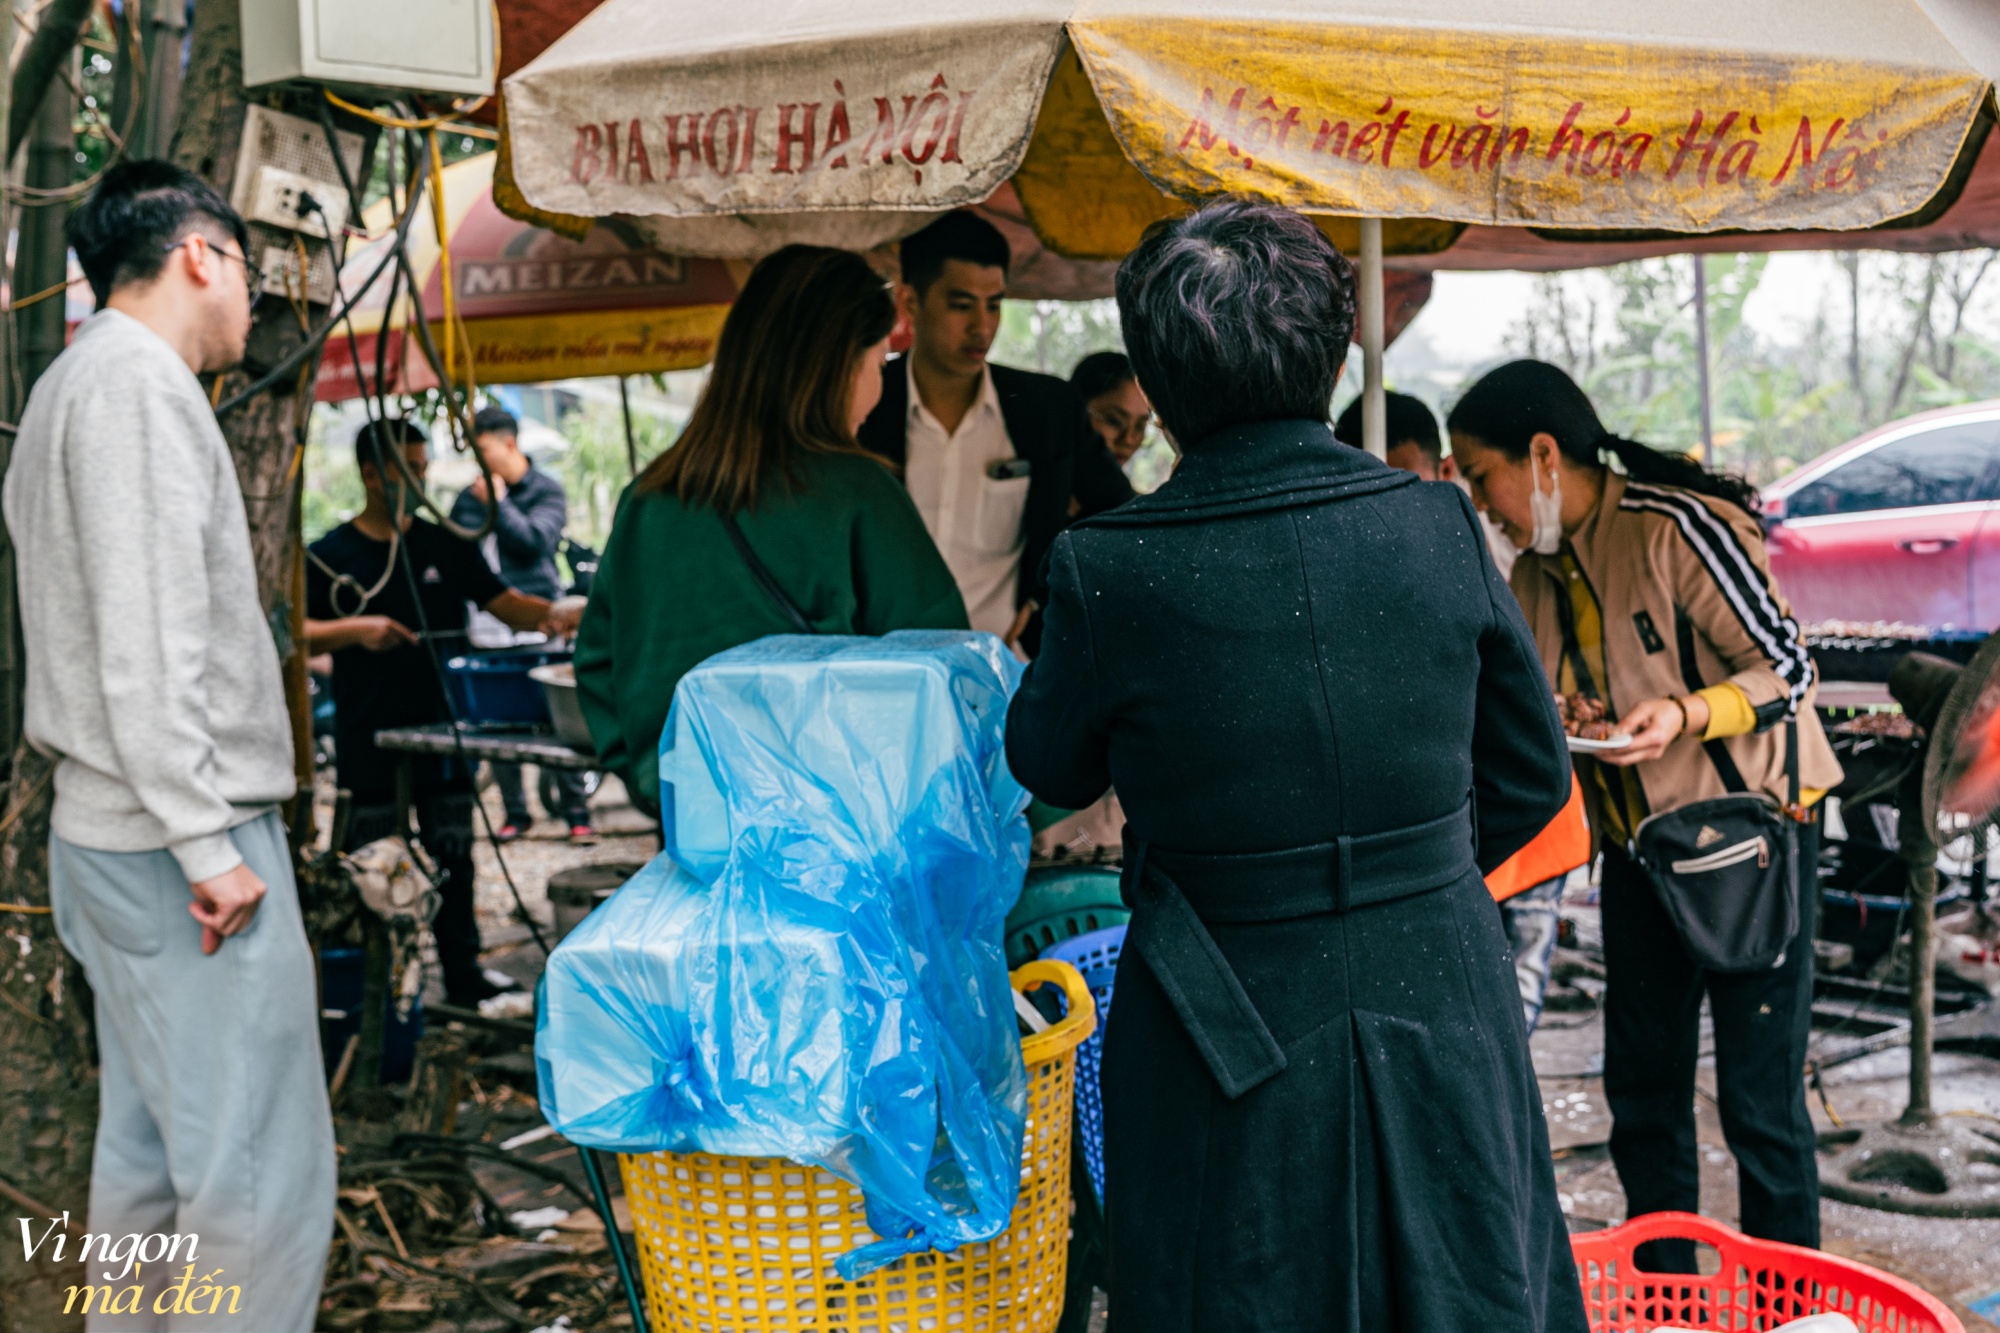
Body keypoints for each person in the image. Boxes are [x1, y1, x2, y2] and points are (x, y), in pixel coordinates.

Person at [1005, 202, 1586, 1332]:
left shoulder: (1106, 568)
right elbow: (1529, 773)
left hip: (1220, 1007)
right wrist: (1405, 883)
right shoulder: (1434, 525)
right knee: (1460, 1280)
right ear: (1331, 356)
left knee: (1234, 1287)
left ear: (1160, 378)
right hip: (1440, 987)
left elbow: (1047, 765)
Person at [4, 159, 334, 1329]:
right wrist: (208, 846)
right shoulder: (138, 390)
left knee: (149, 1168)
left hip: (110, 839)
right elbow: (147, 652)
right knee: (255, 1181)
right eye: (247, 271)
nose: (252, 307)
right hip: (178, 849)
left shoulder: (67, 387)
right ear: (202, 254)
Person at [1448, 359, 1843, 1268]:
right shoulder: (1535, 579)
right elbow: (1540, 711)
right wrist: (1575, 719)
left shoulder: (1675, 529)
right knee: (1642, 1092)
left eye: (1481, 474)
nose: (1482, 501)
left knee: (1760, 1107)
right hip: (1638, 852)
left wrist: (1687, 712)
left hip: (1747, 842)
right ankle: (1670, 1299)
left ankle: (1797, 1313)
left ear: (1543, 454)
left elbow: (1789, 667)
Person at [574, 245, 968, 817]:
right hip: (842, 852)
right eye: (879, 363)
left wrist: (656, 787)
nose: (878, 391)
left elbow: (596, 666)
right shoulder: (859, 494)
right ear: (836, 366)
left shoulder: (649, 500)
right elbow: (944, 675)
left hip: (696, 838)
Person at [1343, 388, 1589, 1030]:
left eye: (1409, 480)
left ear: (1446, 470)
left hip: (1514, 807)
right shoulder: (1355, 562)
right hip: (1441, 819)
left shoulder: (1511, 539)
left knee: (1518, 984)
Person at [306, 418, 564, 1006]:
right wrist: (358, 629)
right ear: (372, 474)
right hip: (368, 736)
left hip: (442, 728)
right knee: (375, 865)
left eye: (423, 468)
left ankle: (464, 975)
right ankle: (382, 986)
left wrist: (565, 613)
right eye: (408, 469)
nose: (420, 479)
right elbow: (296, 632)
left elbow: (509, 605)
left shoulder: (443, 543)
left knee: (453, 855)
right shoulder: (329, 556)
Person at [857, 211, 1131, 652]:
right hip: (882, 669)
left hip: (1006, 673)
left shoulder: (1046, 409)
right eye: (961, 305)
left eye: (995, 304)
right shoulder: (864, 402)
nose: (982, 327)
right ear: (909, 302)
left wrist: (1050, 595)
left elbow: (1119, 516)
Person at [450, 404, 595, 843]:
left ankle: (576, 811)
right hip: (486, 626)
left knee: (554, 715)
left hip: (540, 619)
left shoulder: (545, 491)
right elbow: (457, 552)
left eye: (485, 449)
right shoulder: (467, 496)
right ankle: (516, 813)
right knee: (498, 722)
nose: (478, 461)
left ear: (509, 444)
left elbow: (537, 541)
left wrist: (499, 502)